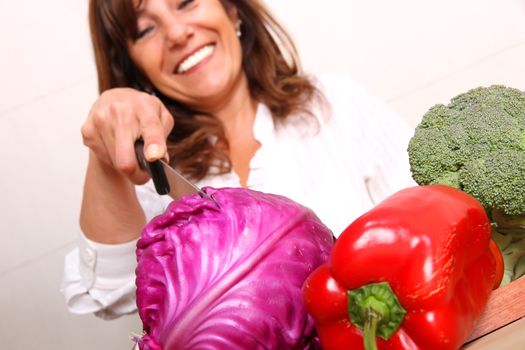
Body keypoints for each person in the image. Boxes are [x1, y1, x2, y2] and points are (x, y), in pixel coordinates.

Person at [61, 0, 415, 320]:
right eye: (144, 29)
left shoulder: (334, 103)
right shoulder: (147, 173)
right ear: (132, 65)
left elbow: (429, 222)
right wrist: (105, 155)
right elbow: (107, 295)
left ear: (231, 9)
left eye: (185, 2)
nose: (177, 33)